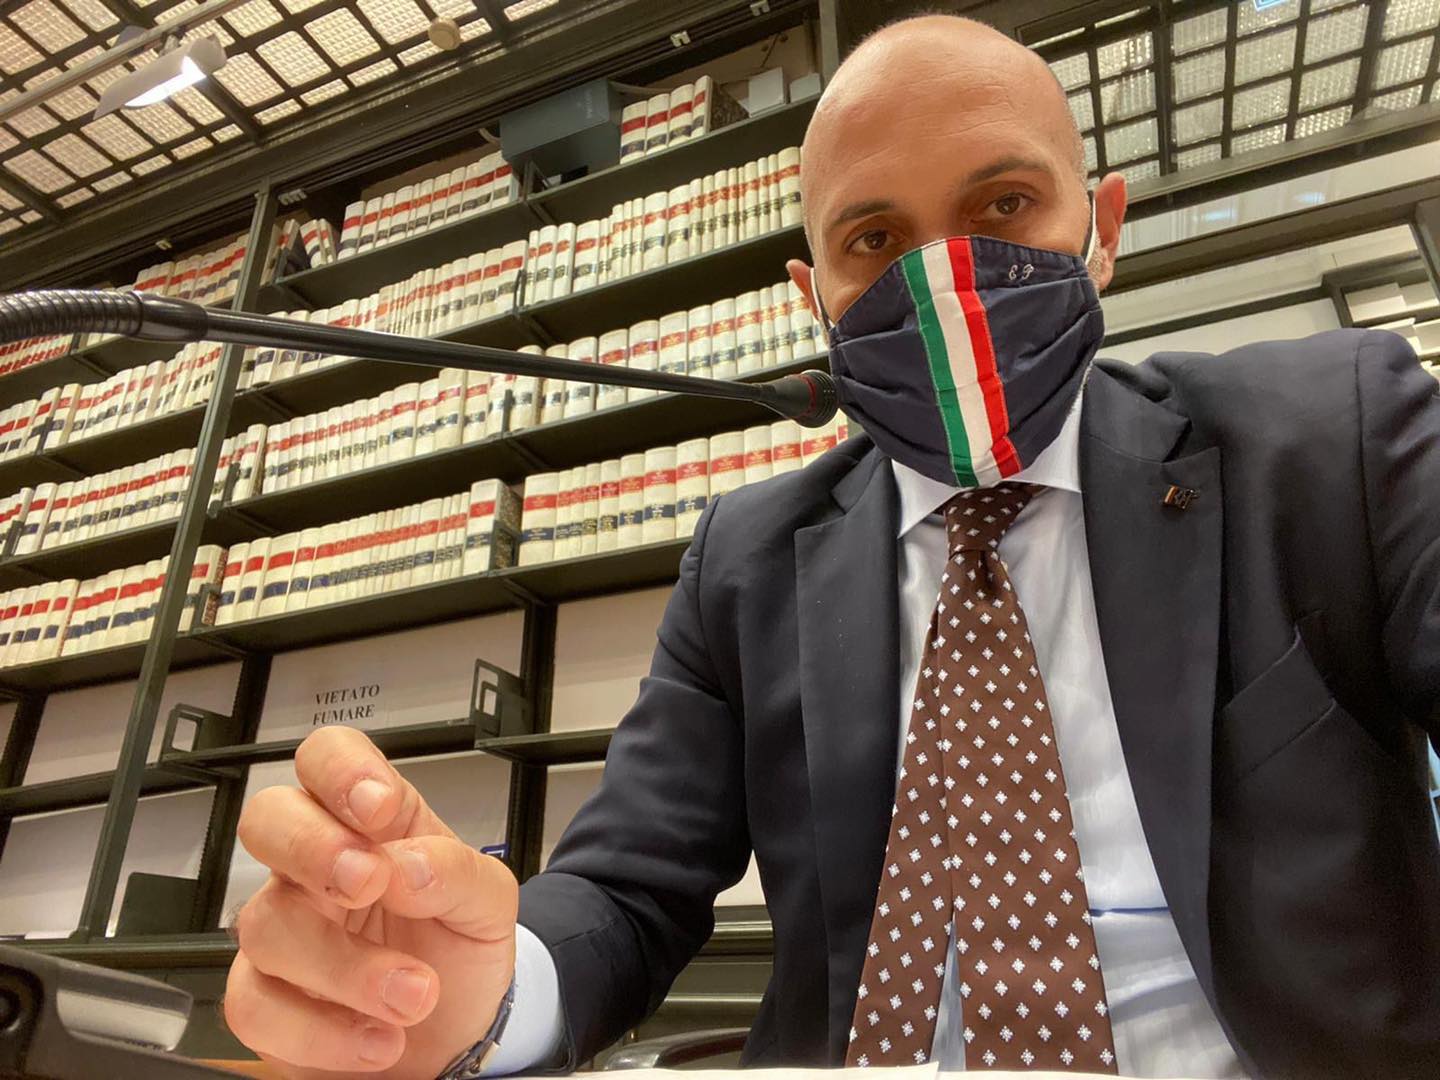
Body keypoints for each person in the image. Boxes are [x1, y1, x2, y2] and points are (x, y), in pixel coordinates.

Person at [221, 13, 1440, 1080]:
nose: (943, 279)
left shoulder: (1332, 433)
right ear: (815, 298)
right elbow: (626, 891)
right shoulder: (744, 557)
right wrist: (473, 994)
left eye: (1004, 206)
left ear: (1102, 226)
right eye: (875, 239)